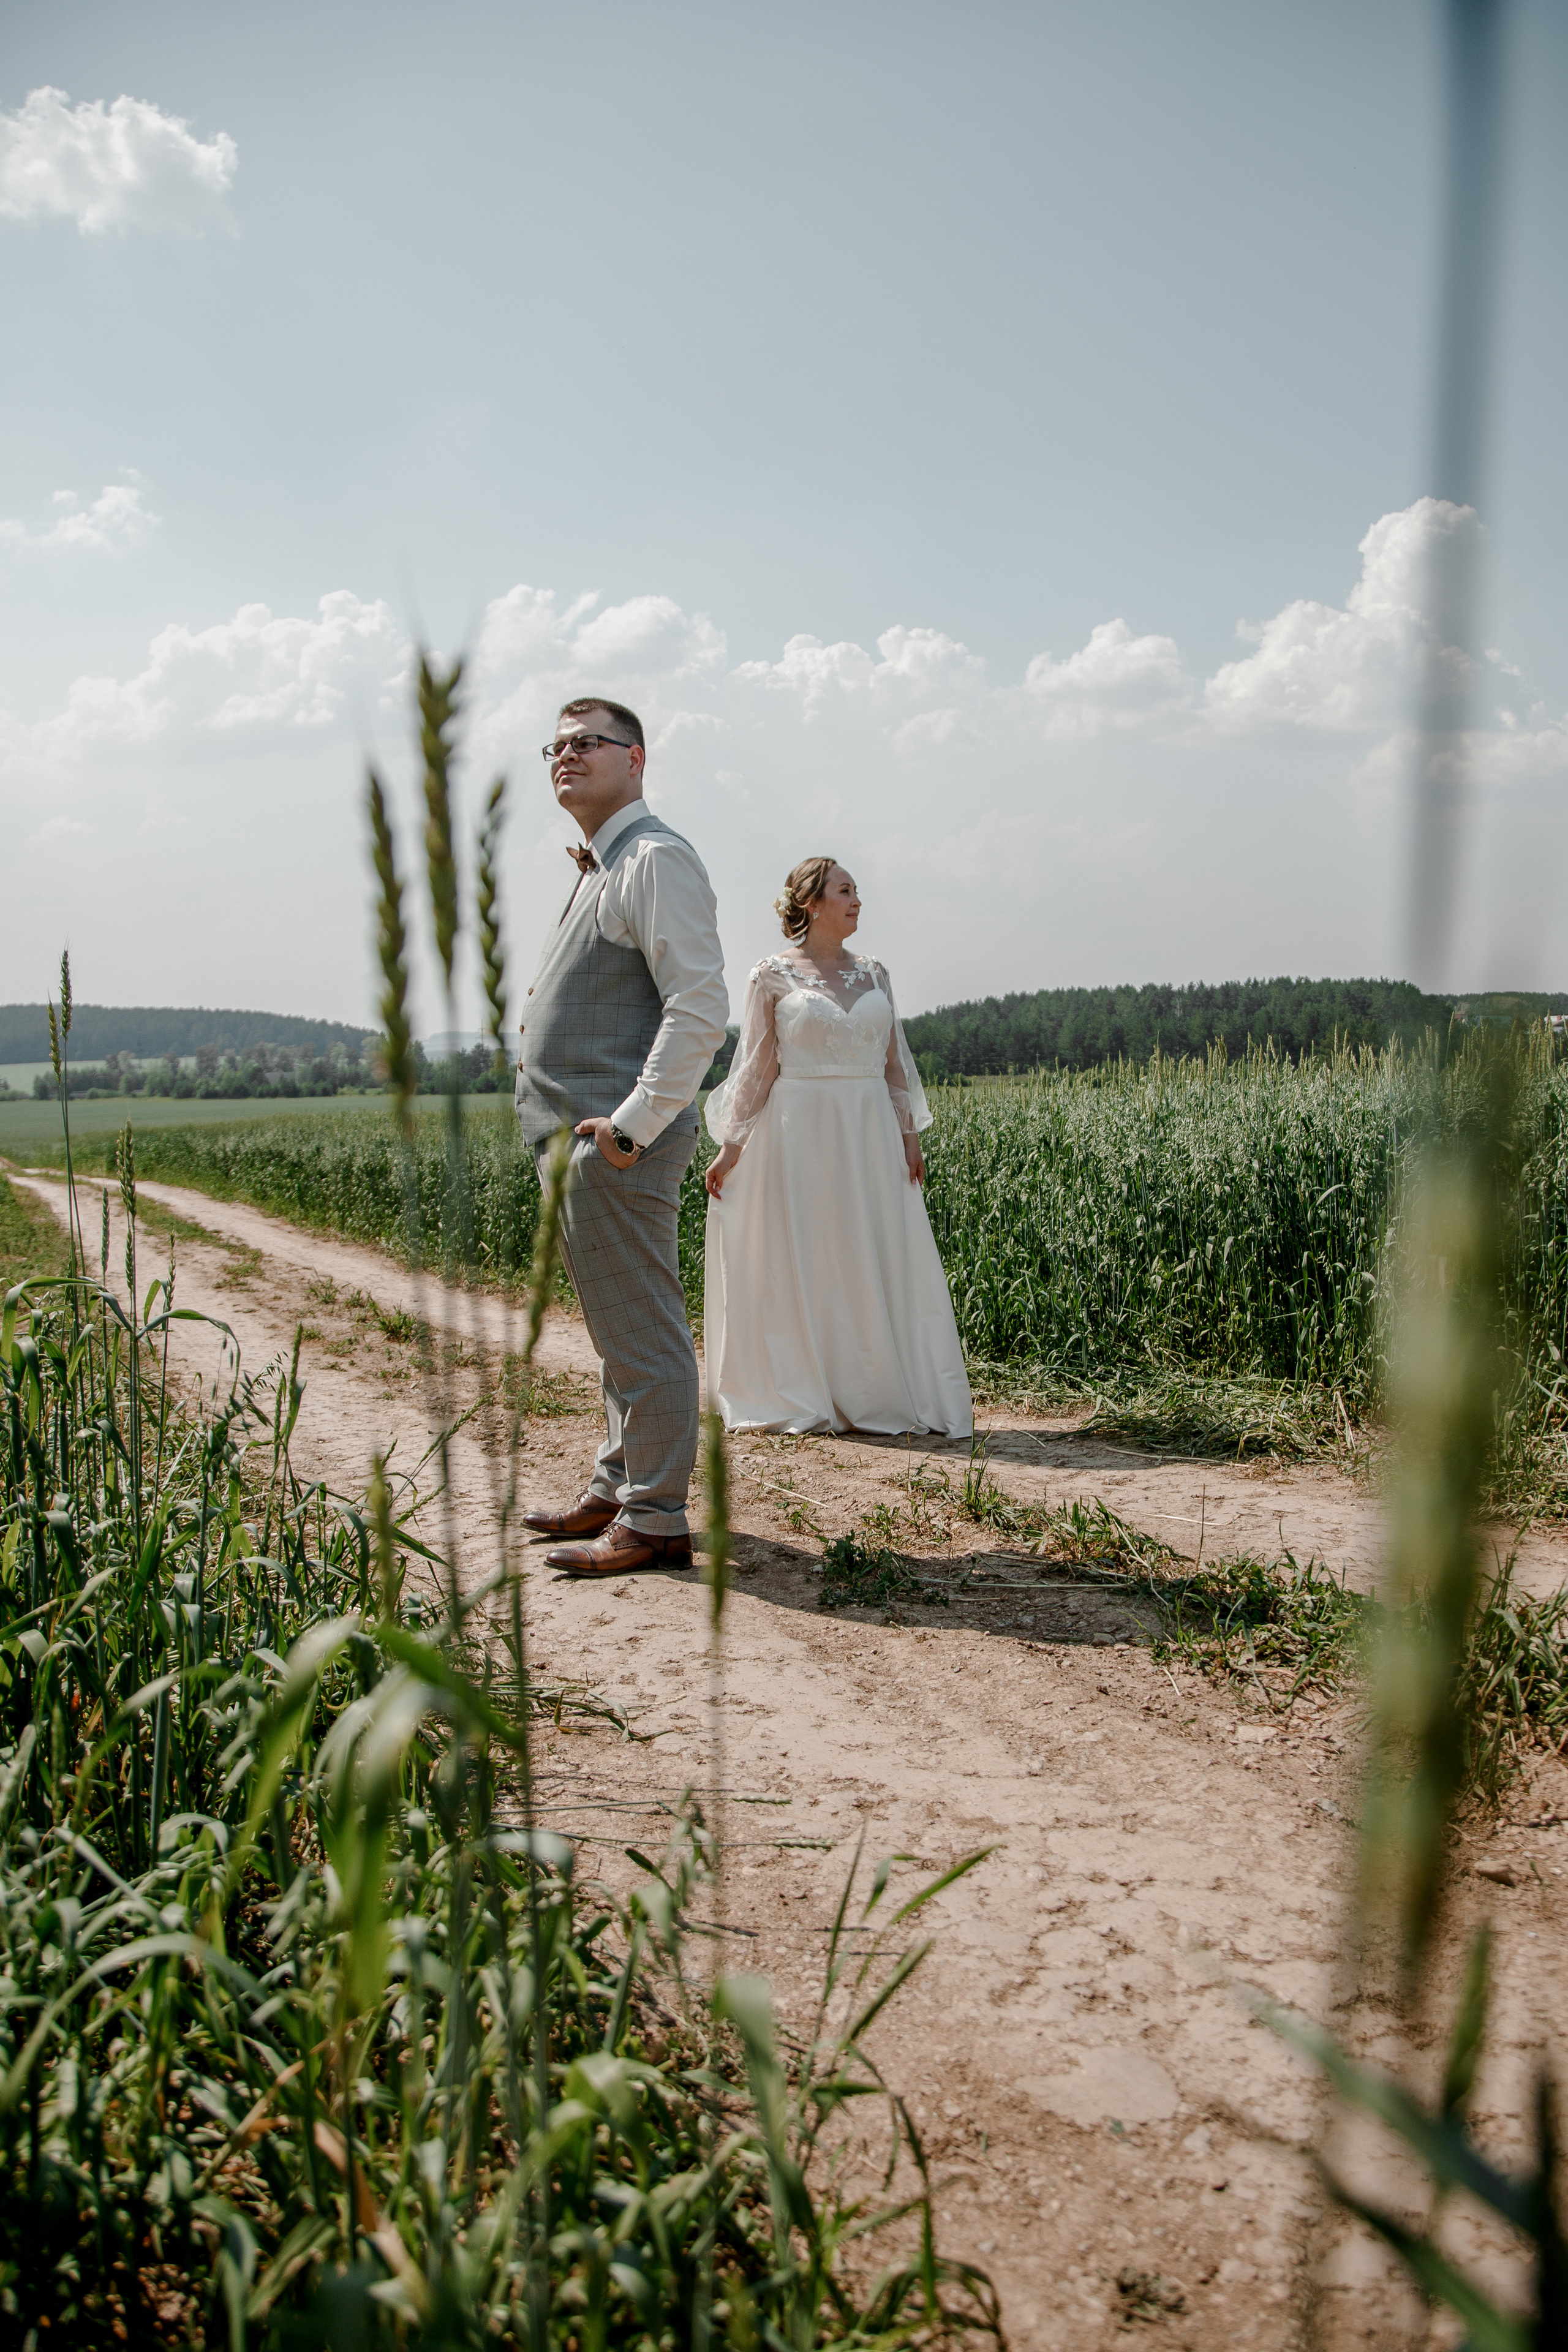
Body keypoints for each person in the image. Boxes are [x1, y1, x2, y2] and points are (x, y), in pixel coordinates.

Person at [514, 699, 728, 1577]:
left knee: (642, 1330)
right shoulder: (605, 864)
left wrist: (632, 1129)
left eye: (586, 742)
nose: (566, 756)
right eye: (555, 746)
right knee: (616, 1328)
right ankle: (618, 1484)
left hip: (614, 1140)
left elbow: (700, 1006)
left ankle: (657, 1518)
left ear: (635, 758)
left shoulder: (654, 857)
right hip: (583, 1140)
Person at [703, 858, 972, 1438]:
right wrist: (732, 1147)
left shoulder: (875, 973)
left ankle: (875, 1383)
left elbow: (896, 1063)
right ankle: (809, 1382)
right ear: (811, 903)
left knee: (869, 1247)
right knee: (813, 1251)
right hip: (799, 1133)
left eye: (857, 891)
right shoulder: (770, 975)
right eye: (845, 891)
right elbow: (755, 1068)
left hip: (870, 1131)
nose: (857, 900)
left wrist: (909, 1137)